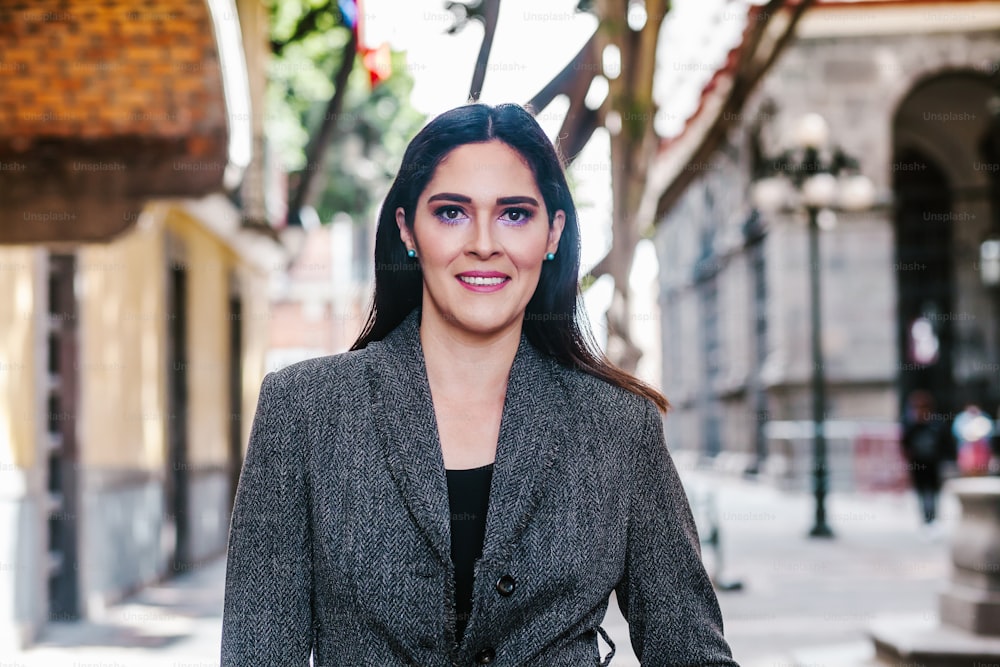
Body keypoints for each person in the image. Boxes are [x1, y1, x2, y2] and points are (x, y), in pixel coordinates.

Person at [220, 103, 738, 666]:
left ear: (553, 233)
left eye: (515, 214)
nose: (485, 243)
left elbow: (692, 651)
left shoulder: (618, 426)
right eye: (451, 213)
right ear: (406, 228)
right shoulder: (303, 411)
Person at [900, 390, 950, 526]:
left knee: (933, 492)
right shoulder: (910, 424)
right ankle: (926, 518)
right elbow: (905, 443)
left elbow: (945, 443)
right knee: (922, 492)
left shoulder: (937, 424)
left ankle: (932, 518)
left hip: (933, 464)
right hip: (918, 464)